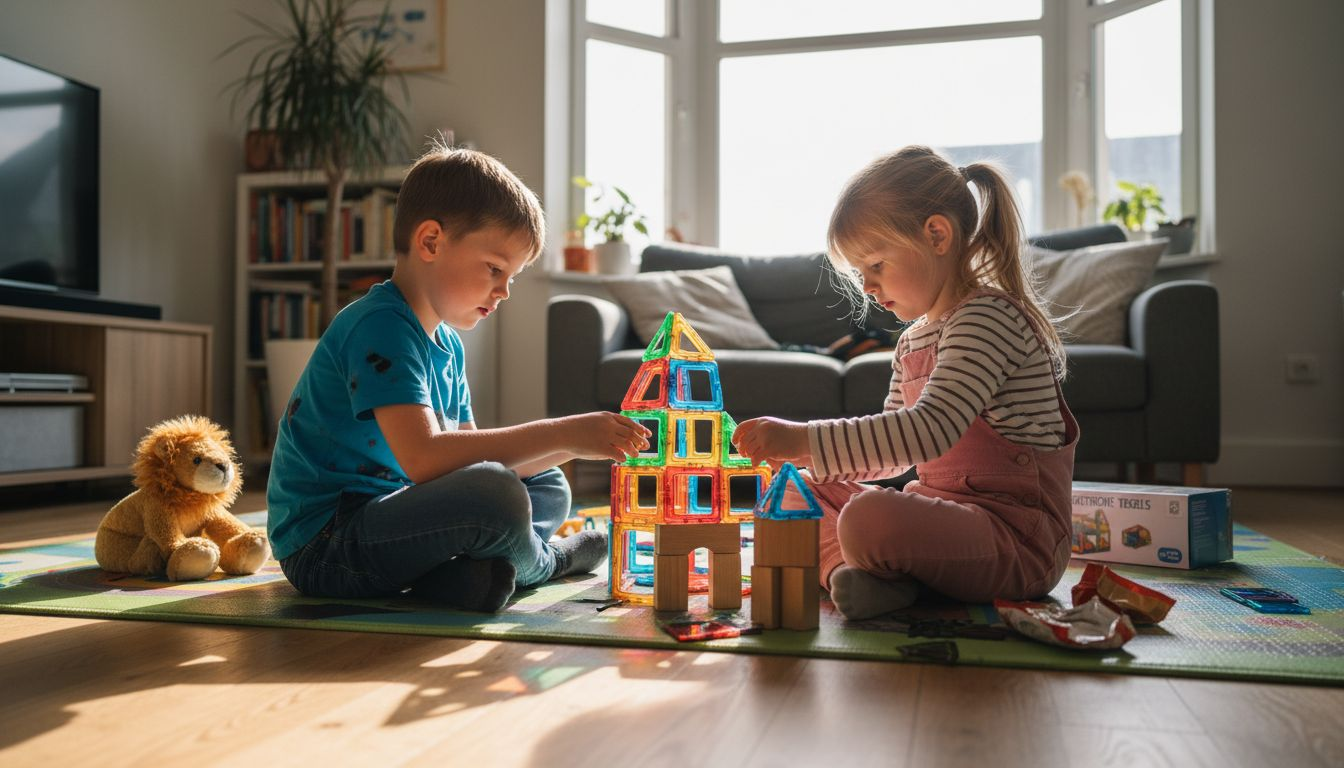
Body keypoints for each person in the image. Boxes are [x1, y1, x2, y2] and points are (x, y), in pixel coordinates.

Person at [267, 144, 650, 613]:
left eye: (513, 276)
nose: (505, 290)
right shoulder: (380, 326)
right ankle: (546, 562)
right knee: (495, 494)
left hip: (392, 519)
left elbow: (467, 460)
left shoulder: (447, 344)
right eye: (495, 268)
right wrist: (564, 430)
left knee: (547, 482)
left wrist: (574, 445)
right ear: (431, 242)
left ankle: (459, 580)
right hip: (326, 546)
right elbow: (427, 459)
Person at [732, 146, 1078, 620]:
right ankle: (852, 579)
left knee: (867, 519)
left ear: (937, 235)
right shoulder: (914, 339)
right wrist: (804, 458)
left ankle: (879, 572)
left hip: (1017, 541)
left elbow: (928, 430)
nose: (868, 286)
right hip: (941, 519)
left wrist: (803, 437)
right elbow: (892, 453)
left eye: (876, 265)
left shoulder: (987, 318)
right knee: (792, 492)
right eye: (860, 274)